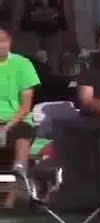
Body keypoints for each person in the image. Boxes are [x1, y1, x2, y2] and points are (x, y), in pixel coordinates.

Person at [0, 24, 38, 207]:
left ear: (10, 42)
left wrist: (7, 126)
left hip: (18, 120)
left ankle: (12, 198)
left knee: (22, 137)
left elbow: (25, 106)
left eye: (3, 41)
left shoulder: (23, 64)